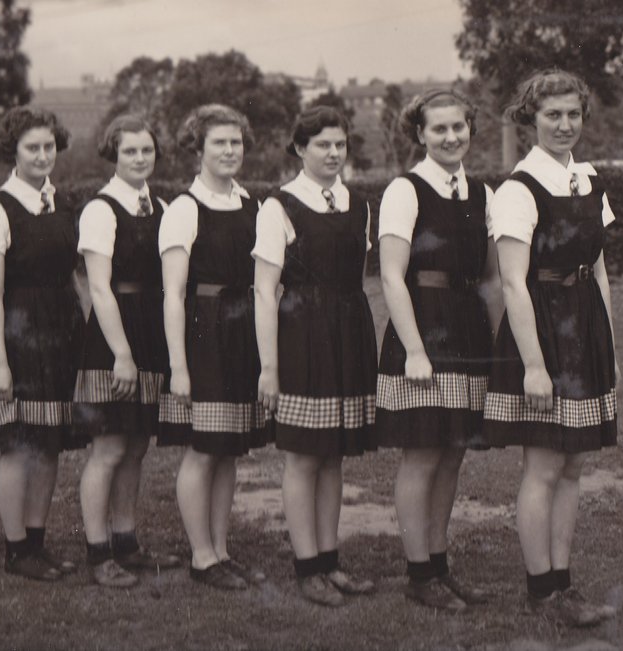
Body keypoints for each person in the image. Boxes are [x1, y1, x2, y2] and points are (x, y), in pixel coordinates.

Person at [485, 69, 620, 627]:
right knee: (543, 465)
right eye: (552, 115)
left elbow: (599, 270)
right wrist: (534, 367)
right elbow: (513, 283)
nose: (565, 125)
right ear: (531, 119)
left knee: (573, 465)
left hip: (584, 328)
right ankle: (541, 590)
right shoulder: (519, 189)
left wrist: (609, 347)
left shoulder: (588, 180)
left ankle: (563, 582)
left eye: (573, 114)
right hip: (541, 331)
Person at [371, 90, 503, 610]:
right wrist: (414, 349)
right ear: (420, 134)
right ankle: (418, 573)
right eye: (439, 129)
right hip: (423, 327)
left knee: (453, 452)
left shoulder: (483, 193)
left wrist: (500, 346)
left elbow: (491, 279)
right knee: (423, 453)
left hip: (468, 329)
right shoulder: (405, 190)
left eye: (459, 127)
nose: (451, 137)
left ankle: (440, 564)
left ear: (470, 129)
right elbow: (391, 276)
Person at [253, 106, 376, 607]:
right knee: (304, 455)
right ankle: (307, 567)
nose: (332, 153)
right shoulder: (278, 206)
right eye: (322, 144)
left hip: (348, 332)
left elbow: (356, 276)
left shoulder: (359, 204)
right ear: (300, 148)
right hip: (302, 334)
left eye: (339, 144)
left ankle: (330, 561)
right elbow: (265, 292)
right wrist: (269, 368)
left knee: (334, 454)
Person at [157, 104, 270, 591]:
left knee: (229, 450)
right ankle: (201, 557)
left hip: (241, 332)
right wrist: (179, 367)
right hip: (203, 334)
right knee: (204, 449)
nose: (229, 151)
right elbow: (172, 294)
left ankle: (222, 550)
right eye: (219, 142)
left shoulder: (252, 206)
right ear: (197, 149)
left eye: (236, 142)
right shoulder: (184, 208)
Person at [73, 114, 181, 588]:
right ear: (113, 154)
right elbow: (98, 287)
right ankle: (98, 552)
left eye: (146, 150)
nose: (140, 158)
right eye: (130, 151)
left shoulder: (162, 207)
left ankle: (126, 540)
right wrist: (121, 352)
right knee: (110, 447)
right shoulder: (101, 209)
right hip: (114, 335)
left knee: (136, 445)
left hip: (151, 331)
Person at [0, 107, 81, 581]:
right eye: (32, 147)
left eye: (48, 147)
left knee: (49, 442)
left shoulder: (61, 203)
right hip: (18, 334)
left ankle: (37, 544)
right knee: (19, 444)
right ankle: (16, 549)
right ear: (12, 152)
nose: (42, 155)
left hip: (61, 330)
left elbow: (72, 276)